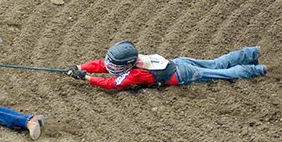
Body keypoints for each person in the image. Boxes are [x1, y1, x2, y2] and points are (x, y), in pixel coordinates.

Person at [63, 40, 266, 90]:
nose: (110, 66)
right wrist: (81, 67)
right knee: (217, 63)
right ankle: (250, 53)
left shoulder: (134, 73)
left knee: (222, 74)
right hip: (178, 63)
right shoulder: (135, 61)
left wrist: (86, 78)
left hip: (183, 75)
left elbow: (112, 83)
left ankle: (257, 70)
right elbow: (102, 65)